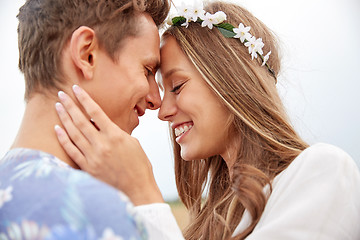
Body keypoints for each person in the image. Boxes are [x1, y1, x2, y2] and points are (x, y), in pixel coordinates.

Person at [53, 1, 360, 239]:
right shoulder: (212, 219)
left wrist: (143, 193)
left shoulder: (324, 171)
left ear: (230, 81)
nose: (162, 111)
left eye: (177, 86)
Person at [0, 0, 179, 239]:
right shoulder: (97, 212)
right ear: (87, 54)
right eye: (147, 70)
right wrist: (145, 197)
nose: (155, 100)